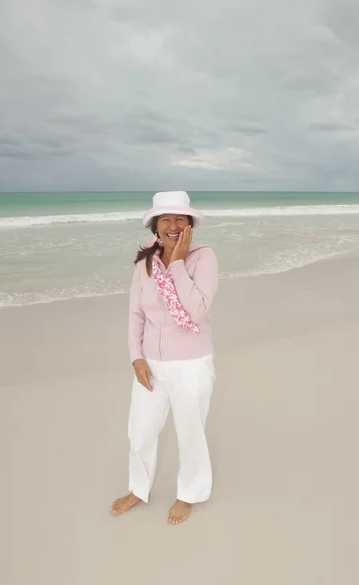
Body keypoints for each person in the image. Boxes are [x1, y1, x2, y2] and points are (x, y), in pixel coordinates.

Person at [111, 191, 219, 525]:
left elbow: (197, 310)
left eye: (180, 219)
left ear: (190, 225)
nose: (173, 226)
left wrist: (177, 263)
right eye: (165, 219)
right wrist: (136, 357)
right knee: (140, 430)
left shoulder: (203, 257)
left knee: (190, 432)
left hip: (191, 364)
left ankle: (189, 494)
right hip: (151, 364)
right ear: (155, 225)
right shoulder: (145, 260)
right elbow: (136, 314)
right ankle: (138, 488)